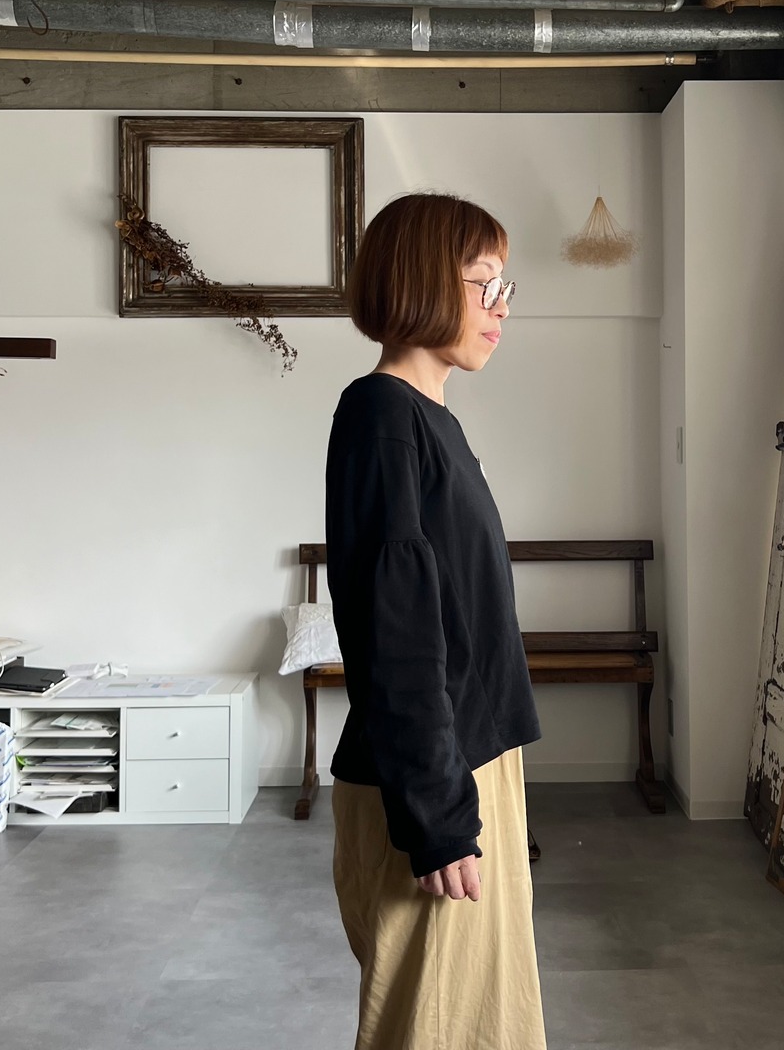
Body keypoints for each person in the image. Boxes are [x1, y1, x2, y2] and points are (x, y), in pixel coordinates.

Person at [325, 191, 548, 1050]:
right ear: (421, 281)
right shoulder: (383, 417)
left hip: (470, 760)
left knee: (484, 1024)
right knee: (434, 1031)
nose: (500, 307)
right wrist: (439, 816)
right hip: (430, 779)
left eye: (503, 286)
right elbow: (398, 631)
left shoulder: (429, 419)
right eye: (482, 282)